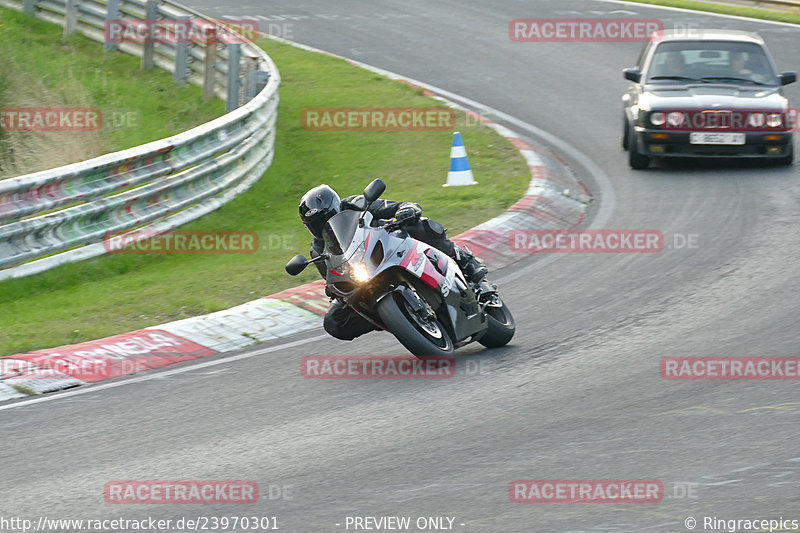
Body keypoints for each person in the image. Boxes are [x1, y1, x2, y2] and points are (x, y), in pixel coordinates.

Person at [298, 183, 488, 341]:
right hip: (365, 275)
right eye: (314, 224)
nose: (321, 226)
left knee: (420, 224)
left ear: (336, 207)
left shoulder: (356, 204)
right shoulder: (318, 248)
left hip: (391, 246)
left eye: (325, 218)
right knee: (334, 321)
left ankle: (466, 261)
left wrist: (405, 210)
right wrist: (333, 287)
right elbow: (331, 276)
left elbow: (393, 207)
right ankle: (395, 319)